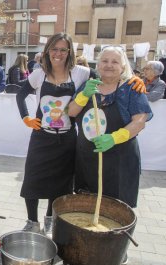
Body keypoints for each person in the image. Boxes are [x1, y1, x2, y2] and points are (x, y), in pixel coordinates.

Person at [15, 33, 145, 238]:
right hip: (41, 137)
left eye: (63, 49)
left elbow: (109, 74)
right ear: (48, 50)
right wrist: (26, 118)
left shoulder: (82, 73)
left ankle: (50, 221)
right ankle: (32, 222)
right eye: (54, 49)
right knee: (32, 179)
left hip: (67, 139)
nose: (58, 53)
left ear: (69, 53)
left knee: (60, 183)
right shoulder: (39, 73)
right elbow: (21, 94)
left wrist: (133, 78)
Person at [68, 48, 152, 265]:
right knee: (88, 202)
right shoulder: (90, 85)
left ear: (123, 66)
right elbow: (71, 112)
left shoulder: (132, 88)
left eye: (115, 61)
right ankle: (87, 245)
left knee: (117, 207)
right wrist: (84, 94)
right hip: (88, 158)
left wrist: (115, 137)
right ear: (98, 64)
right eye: (104, 60)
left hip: (120, 158)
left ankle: (116, 251)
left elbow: (140, 119)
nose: (109, 65)